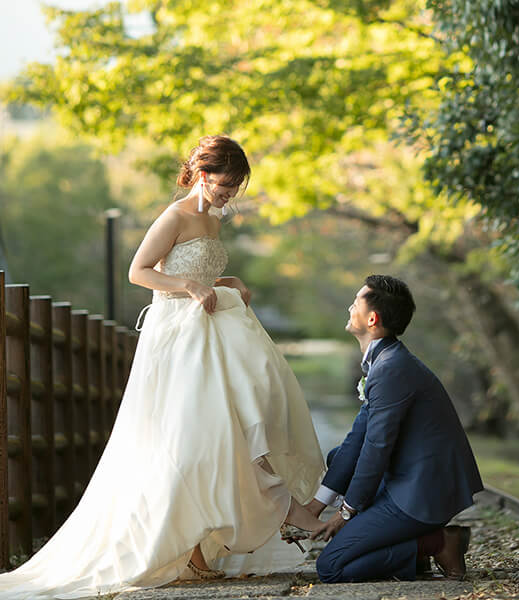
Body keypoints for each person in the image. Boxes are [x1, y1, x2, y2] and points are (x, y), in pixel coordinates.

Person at [0, 135, 325, 599]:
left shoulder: (212, 221)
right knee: (187, 435)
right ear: (203, 173)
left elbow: (205, 273)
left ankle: (229, 533)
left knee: (229, 426)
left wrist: (227, 282)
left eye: (236, 185)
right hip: (178, 338)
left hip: (210, 335)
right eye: (226, 184)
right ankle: (194, 544)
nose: (231, 193)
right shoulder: (174, 216)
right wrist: (189, 286)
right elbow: (139, 271)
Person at [307, 274, 483, 583]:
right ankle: (413, 555)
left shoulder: (391, 369)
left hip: (421, 492)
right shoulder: (385, 361)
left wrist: (346, 513)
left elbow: (376, 449)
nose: (349, 307)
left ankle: (438, 542)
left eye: (355, 302)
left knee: (331, 566)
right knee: (338, 456)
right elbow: (356, 441)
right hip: (406, 481)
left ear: (372, 318)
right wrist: (315, 507)